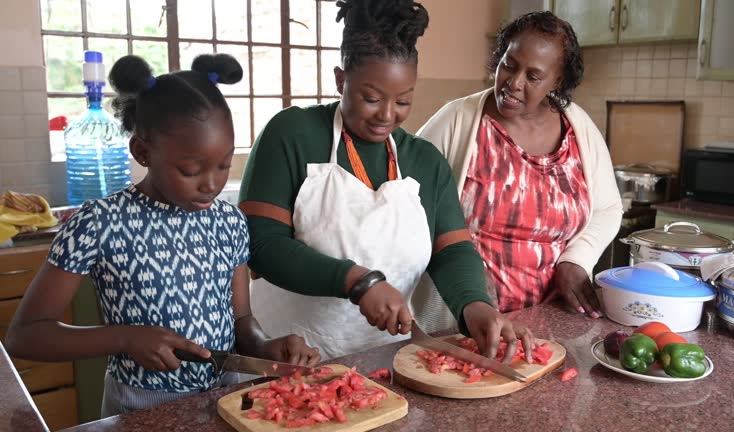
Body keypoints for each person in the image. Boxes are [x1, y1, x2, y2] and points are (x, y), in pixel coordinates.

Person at [5, 53, 319, 417]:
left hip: (228, 399)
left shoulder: (230, 222)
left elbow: (241, 321)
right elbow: (25, 335)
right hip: (141, 406)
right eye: (191, 169)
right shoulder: (99, 223)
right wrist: (125, 337)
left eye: (223, 164)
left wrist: (266, 346)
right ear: (142, 152)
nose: (212, 184)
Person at [239, 0, 534, 363]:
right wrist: (357, 282)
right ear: (340, 79)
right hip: (287, 358)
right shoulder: (291, 134)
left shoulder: (425, 161)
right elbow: (261, 244)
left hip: (385, 363)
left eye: (403, 101)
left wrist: (475, 304)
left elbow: (453, 251)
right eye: (371, 98)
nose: (387, 115)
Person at [417, 11, 622, 318]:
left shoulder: (579, 129)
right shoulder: (456, 120)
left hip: (553, 316)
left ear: (558, 80)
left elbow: (608, 208)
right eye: (508, 65)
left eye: (533, 76)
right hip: (460, 316)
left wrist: (577, 260)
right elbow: (408, 204)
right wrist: (465, 276)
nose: (514, 82)